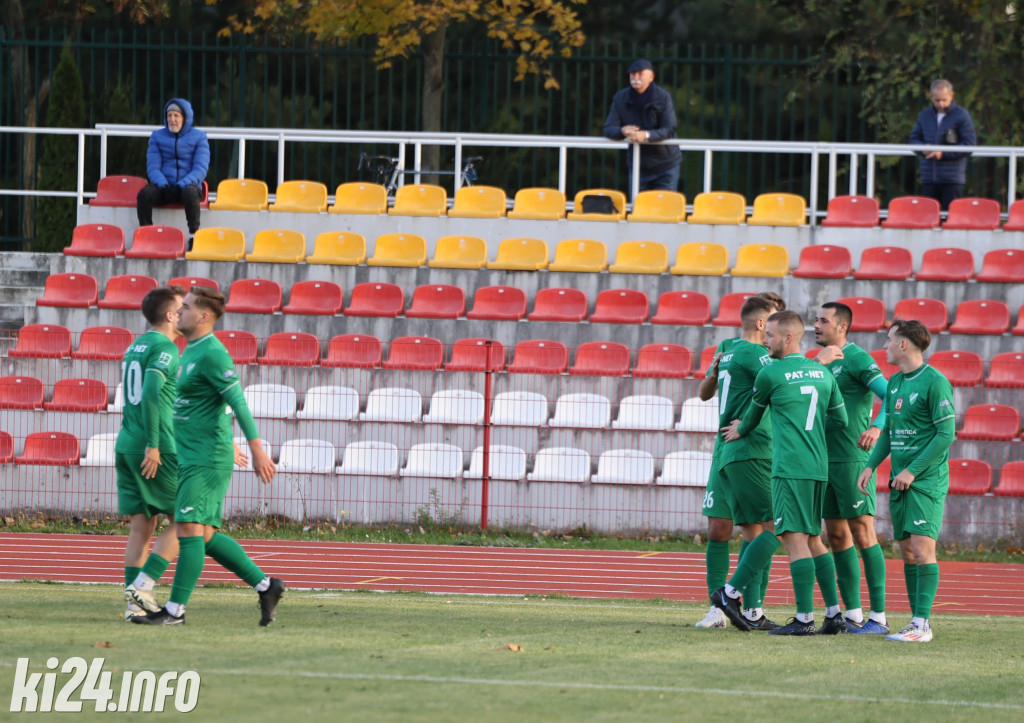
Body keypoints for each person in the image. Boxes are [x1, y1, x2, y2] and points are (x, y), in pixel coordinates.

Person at [131, 286, 283, 626]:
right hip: (191, 455)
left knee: (186, 529)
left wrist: (256, 447)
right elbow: (206, 405)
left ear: (202, 316)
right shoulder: (190, 350)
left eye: (185, 307)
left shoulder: (212, 353)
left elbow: (237, 401)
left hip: (205, 457)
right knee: (204, 534)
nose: (178, 312)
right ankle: (266, 585)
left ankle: (172, 611)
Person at [717, 311, 848, 635]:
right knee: (815, 539)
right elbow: (840, 421)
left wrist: (740, 429)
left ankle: (801, 618)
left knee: (790, 538)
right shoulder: (823, 375)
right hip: (818, 466)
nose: (765, 341)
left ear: (789, 337)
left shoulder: (771, 375)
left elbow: (750, 418)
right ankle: (834, 613)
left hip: (789, 466)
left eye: (771, 336)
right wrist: (812, 433)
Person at [857, 319, 955, 643]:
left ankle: (922, 624)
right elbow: (890, 432)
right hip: (900, 482)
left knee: (923, 550)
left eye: (888, 340)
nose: (884, 346)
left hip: (924, 481)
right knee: (907, 553)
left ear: (904, 344)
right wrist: (871, 466)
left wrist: (912, 470)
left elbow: (946, 434)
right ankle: (915, 622)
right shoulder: (896, 382)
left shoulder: (934, 381)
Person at [694, 291, 785, 629]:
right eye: (774, 319)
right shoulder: (729, 348)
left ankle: (751, 608)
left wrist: (746, 423)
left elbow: (778, 387)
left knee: (755, 528)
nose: (776, 327)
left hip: (753, 444)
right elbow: (704, 393)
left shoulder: (764, 354)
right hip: (726, 447)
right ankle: (719, 609)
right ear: (762, 322)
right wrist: (713, 373)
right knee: (719, 528)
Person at [813, 302, 891, 634]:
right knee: (836, 535)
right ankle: (854, 613)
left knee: (862, 531)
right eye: (816, 319)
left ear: (842, 327)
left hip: (851, 458)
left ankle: (879, 616)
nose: (816, 324)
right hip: (820, 458)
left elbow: (891, 394)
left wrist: (876, 427)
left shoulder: (857, 359)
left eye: (823, 320)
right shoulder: (818, 361)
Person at [116, 285, 185, 621]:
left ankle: (133, 605)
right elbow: (153, 393)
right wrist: (155, 444)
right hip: (152, 446)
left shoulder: (135, 345)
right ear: (171, 315)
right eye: (182, 308)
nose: (186, 313)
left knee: (141, 527)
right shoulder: (166, 349)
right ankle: (143, 587)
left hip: (127, 441)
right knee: (187, 520)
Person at [602, 59, 682, 196]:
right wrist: (622, 131)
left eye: (640, 74)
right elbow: (608, 129)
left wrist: (646, 136)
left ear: (651, 77)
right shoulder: (620, 97)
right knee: (638, 212)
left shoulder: (663, 97)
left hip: (666, 165)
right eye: (632, 74)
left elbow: (670, 129)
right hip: (638, 165)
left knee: (663, 212)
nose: (635, 78)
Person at [137, 98, 210, 243]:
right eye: (169, 115)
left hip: (187, 188)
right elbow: (153, 167)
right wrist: (163, 185)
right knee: (144, 194)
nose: (172, 119)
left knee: (190, 193)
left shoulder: (200, 137)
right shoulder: (157, 137)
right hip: (164, 187)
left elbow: (200, 168)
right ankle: (147, 236)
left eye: (176, 116)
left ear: (185, 118)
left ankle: (194, 237)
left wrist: (180, 185)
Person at [908, 79, 977, 210]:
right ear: (931, 97)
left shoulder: (961, 115)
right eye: (937, 100)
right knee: (928, 218)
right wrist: (923, 149)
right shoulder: (925, 115)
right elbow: (914, 139)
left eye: (944, 100)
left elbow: (969, 145)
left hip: (952, 179)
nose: (941, 104)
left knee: (950, 218)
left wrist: (943, 153)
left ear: (952, 95)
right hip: (929, 178)